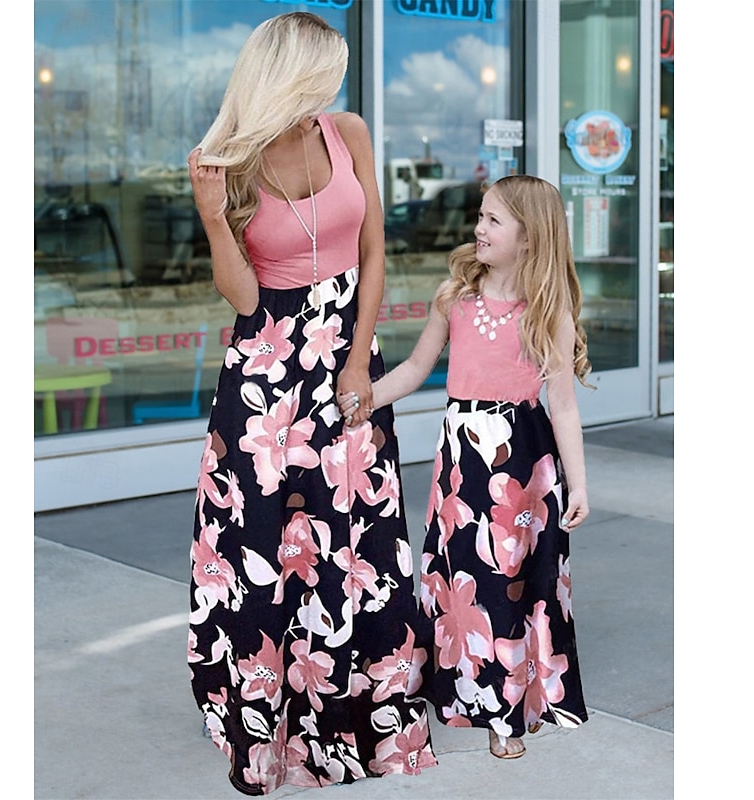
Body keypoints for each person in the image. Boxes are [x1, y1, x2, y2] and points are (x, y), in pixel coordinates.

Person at [185, 11, 437, 795]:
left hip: (347, 357)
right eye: (323, 73)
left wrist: (359, 359)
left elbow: (374, 252)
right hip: (265, 376)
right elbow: (243, 296)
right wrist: (211, 216)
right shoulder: (229, 159)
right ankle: (270, 727)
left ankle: (364, 714)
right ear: (290, 75)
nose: (333, 87)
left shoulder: (346, 132)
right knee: (267, 547)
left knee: (360, 539)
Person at [340, 174, 593, 760]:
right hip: (462, 465)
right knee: (462, 583)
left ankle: (509, 712)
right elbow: (415, 368)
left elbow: (562, 404)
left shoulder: (546, 311)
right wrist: (365, 400)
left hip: (523, 469)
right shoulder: (455, 296)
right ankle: (464, 691)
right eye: (480, 216)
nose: (478, 228)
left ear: (530, 237)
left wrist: (578, 484)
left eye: (493, 220)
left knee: (514, 585)